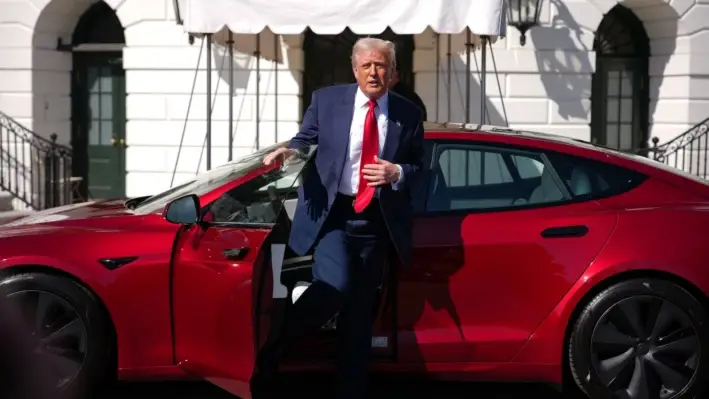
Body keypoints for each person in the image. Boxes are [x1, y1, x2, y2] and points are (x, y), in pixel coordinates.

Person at [253, 37, 425, 399]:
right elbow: (305, 138)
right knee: (335, 286)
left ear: (392, 73)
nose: (374, 73)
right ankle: (273, 348)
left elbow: (421, 169)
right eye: (367, 66)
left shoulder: (408, 114)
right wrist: (291, 150)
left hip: (377, 222)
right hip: (333, 214)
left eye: (381, 66)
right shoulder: (327, 101)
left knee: (360, 314)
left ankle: (350, 390)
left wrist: (398, 173)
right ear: (355, 70)